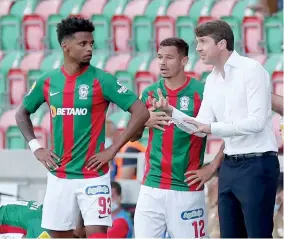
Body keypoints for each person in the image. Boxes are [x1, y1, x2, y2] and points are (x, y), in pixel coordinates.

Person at [15, 16, 149, 238]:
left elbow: (141, 111)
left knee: (96, 234)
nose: (90, 49)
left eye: (92, 44)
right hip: (59, 174)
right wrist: (36, 147)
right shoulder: (48, 81)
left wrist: (112, 149)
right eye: (83, 44)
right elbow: (21, 113)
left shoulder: (101, 80)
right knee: (58, 234)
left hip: (93, 175)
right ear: (65, 46)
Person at [153, 20, 280, 238]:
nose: (198, 48)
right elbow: (200, 127)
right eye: (197, 42)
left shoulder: (252, 70)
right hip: (229, 166)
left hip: (258, 164)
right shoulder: (211, 79)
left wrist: (212, 127)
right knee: (229, 235)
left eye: (203, 42)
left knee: (258, 234)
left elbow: (257, 122)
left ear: (221, 44)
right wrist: (172, 112)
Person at [134, 37, 208, 238]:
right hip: (152, 186)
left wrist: (212, 167)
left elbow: (223, 132)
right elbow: (133, 135)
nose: (162, 63)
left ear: (184, 61)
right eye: (159, 57)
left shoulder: (202, 92)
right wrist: (143, 121)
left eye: (169, 57)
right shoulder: (149, 93)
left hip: (187, 188)